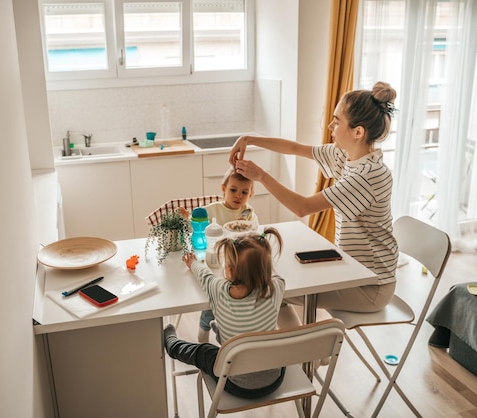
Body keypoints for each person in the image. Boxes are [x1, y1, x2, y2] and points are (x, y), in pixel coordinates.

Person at [229, 81, 399, 326]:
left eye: (337, 120)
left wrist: (261, 176)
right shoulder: (346, 155)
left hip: (370, 285)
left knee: (271, 290)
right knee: (279, 275)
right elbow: (294, 148)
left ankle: (306, 355)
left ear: (358, 132)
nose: (330, 125)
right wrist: (249, 139)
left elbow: (303, 207)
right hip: (350, 268)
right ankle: (307, 353)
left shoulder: (368, 175)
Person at [163, 227, 286, 398]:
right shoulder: (275, 289)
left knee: (204, 351)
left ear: (230, 271)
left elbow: (205, 276)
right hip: (275, 378)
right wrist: (262, 266)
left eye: (227, 264)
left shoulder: (219, 291)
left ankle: (172, 345)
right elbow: (276, 278)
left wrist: (193, 263)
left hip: (236, 384)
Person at [197, 167, 259, 343]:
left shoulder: (248, 213)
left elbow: (254, 234)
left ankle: (235, 329)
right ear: (223, 189)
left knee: (243, 295)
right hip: (215, 261)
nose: (238, 196)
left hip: (240, 264)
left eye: (244, 192)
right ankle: (203, 329)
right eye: (233, 190)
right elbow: (197, 227)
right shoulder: (212, 210)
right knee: (214, 293)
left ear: (251, 194)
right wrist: (190, 219)